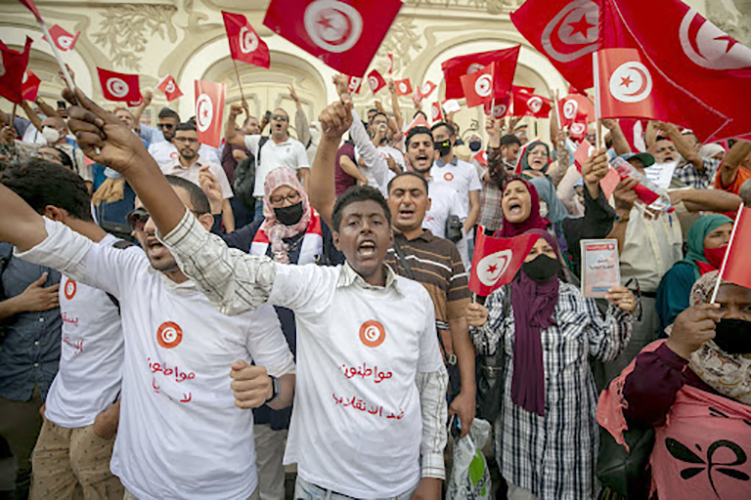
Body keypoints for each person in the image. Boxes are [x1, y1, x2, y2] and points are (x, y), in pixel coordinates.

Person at [64, 84, 449, 498]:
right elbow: (226, 268)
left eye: (376, 220)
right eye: (353, 222)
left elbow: (430, 386)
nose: (366, 228)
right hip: (323, 486)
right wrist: (139, 165)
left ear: (391, 235)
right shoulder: (315, 286)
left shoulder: (416, 298)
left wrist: (431, 472)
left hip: (402, 484)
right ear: (336, 239)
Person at [0, 169, 295, 499]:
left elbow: (286, 387)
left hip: (223, 489)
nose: (150, 228)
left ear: (205, 224)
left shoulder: (243, 293)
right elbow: (29, 229)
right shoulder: (130, 272)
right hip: (138, 487)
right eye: (139, 217)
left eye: (165, 216)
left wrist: (269, 387)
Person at [467, 230, 636, 500]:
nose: (540, 257)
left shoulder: (579, 297)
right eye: (532, 252)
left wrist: (620, 312)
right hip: (520, 433)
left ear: (557, 257)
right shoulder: (503, 296)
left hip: (573, 433)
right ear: (520, 259)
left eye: (547, 251)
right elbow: (487, 345)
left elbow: (606, 349)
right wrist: (479, 323)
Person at [1, 161, 125, 498]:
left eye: (15, 227)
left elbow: (151, 350)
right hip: (57, 417)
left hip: (101, 427)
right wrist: (54, 401)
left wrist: (112, 417)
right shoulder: (68, 263)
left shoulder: (121, 265)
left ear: (53, 217)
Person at [598, 272, 751, 500]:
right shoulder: (668, 356)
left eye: (747, 308)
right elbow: (638, 407)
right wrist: (676, 350)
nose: (733, 316)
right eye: (719, 307)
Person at [381, 172, 475, 437]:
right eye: (399, 194)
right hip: (379, 376)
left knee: (431, 456)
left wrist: (468, 391)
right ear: (387, 202)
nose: (407, 201)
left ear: (429, 203)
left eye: (415, 194)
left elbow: (458, 322)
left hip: (432, 376)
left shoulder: (446, 251)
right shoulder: (373, 245)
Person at [0, 180, 62, 500]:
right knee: (21, 470)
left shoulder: (80, 252)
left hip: (64, 387)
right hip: (14, 384)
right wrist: (16, 305)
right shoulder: (3, 254)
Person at [495, 148, 616, 279]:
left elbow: (596, 226)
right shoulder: (496, 241)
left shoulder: (560, 231)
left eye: (520, 191)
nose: (512, 196)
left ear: (535, 201)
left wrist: (591, 185)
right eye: (507, 193)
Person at [225, 105, 310, 220]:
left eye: (283, 119)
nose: (278, 120)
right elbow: (231, 138)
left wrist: (305, 202)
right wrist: (232, 116)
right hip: (263, 203)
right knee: (261, 237)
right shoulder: (259, 141)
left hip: (288, 203)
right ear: (270, 122)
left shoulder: (297, 146)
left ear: (288, 124)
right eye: (275, 118)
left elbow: (305, 174)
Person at [656, 215, 732, 332]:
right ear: (698, 241)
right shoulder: (682, 272)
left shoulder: (739, 271)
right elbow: (674, 319)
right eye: (717, 235)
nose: (727, 239)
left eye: (732, 233)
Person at [161, 122, 236, 232]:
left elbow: (225, 205)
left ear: (200, 143)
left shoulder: (214, 170)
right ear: (174, 142)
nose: (187, 144)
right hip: (174, 228)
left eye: (192, 140)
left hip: (206, 228)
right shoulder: (165, 172)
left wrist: (230, 234)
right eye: (181, 139)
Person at [430, 121, 481, 237]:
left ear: (452, 139)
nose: (437, 142)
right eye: (434, 139)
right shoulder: (429, 169)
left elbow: (475, 206)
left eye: (440, 137)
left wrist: (463, 232)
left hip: (464, 237)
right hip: (436, 237)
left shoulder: (469, 169)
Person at [148, 107, 221, 167]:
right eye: (161, 126)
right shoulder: (154, 148)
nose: (164, 129)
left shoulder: (207, 151)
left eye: (169, 126)